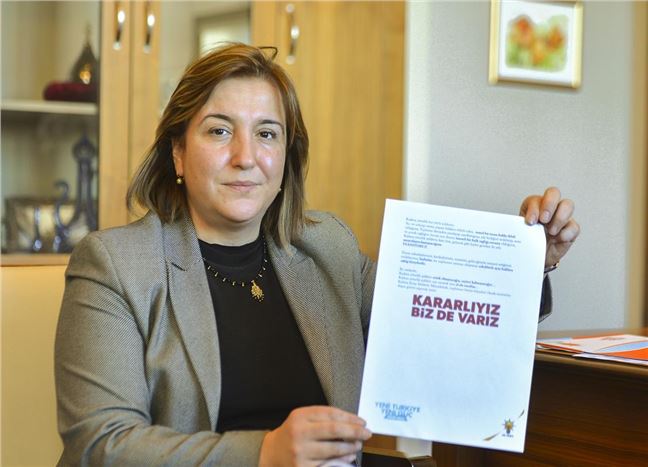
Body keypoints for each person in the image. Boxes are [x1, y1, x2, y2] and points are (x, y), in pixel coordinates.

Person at [54, 43, 580, 467]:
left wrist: (529, 260)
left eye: (267, 134)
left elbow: (437, 327)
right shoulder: (116, 265)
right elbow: (101, 443)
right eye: (219, 131)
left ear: (287, 157)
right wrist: (264, 454)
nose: (245, 157)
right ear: (177, 152)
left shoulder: (328, 247)